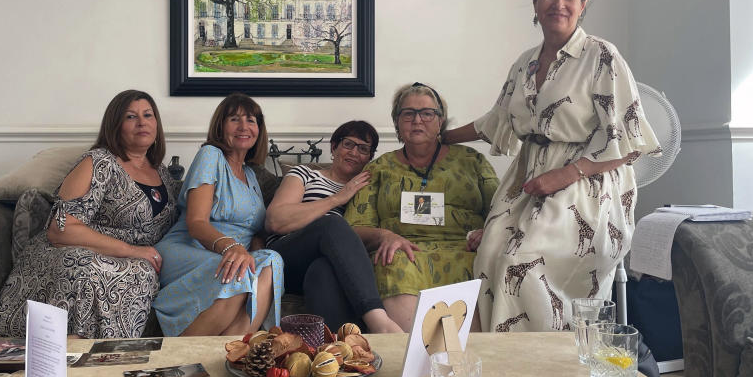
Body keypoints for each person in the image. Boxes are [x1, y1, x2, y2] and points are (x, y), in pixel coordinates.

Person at [444, 0, 661, 332]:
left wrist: (566, 175)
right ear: (535, 2)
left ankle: (548, 365)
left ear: (583, 5)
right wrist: (441, 136)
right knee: (488, 252)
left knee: (521, 262)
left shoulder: (602, 56)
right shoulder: (525, 62)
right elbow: (495, 120)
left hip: (587, 186)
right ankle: (501, 367)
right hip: (527, 180)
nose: (558, 4)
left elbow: (629, 141)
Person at [0, 89, 179, 339]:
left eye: (148, 115)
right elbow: (61, 228)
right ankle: (73, 352)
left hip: (136, 260)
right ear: (115, 125)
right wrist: (132, 251)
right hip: (73, 249)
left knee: (141, 271)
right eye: (130, 117)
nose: (142, 122)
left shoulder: (163, 173)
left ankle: (112, 358)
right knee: (91, 269)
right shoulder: (99, 162)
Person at [343, 83, 499, 331]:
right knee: (391, 261)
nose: (417, 120)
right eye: (408, 113)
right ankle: (414, 358)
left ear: (440, 121)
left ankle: (468, 360)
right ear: (397, 122)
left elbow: (502, 210)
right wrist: (385, 235)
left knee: (486, 263)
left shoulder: (472, 161)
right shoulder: (380, 168)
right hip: (404, 253)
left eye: (427, 113)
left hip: (467, 249)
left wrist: (490, 232)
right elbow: (352, 229)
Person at [152, 93, 283, 336]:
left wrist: (254, 250)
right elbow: (196, 223)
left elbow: (252, 230)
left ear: (259, 129)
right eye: (234, 119)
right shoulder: (211, 156)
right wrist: (233, 248)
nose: (244, 127)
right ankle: (187, 349)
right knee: (237, 269)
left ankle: (233, 352)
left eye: (251, 120)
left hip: (230, 255)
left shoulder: (251, 176)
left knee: (273, 260)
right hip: (189, 248)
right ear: (221, 126)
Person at [265, 121, 403, 334]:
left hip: (327, 264)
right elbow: (276, 220)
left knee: (322, 270)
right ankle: (378, 320)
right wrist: (337, 199)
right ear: (334, 147)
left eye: (363, 148)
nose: (354, 152)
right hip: (287, 258)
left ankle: (339, 352)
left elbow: (354, 239)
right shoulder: (305, 174)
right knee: (332, 222)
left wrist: (385, 234)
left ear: (369, 158)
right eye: (348, 144)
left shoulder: (366, 190)